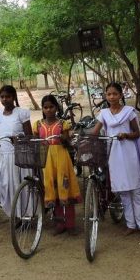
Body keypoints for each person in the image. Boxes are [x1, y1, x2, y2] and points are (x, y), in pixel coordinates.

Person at [91, 82, 140, 239]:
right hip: (114, 155)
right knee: (124, 192)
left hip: (129, 154)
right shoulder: (103, 114)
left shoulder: (129, 112)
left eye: (115, 94)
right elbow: (95, 132)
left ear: (121, 95)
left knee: (136, 191)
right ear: (105, 96)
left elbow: (137, 133)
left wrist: (126, 135)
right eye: (109, 94)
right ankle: (131, 224)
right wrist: (82, 137)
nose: (112, 97)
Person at [35, 95, 81, 235]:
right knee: (51, 188)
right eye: (45, 107)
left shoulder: (62, 123)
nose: (48, 110)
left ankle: (71, 224)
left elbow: (67, 143)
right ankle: (59, 224)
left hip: (61, 158)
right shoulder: (37, 124)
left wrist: (64, 138)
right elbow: (36, 142)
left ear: (56, 108)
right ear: (42, 109)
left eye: (51, 107)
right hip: (46, 160)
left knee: (65, 187)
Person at [0, 85, 32, 217]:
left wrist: (19, 138)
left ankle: (23, 214)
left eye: (8, 97)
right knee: (2, 183)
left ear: (13, 97)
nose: (5, 99)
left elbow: (29, 135)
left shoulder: (22, 113)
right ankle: (13, 213)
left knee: (18, 185)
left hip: (18, 156)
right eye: (2, 97)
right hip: (3, 155)